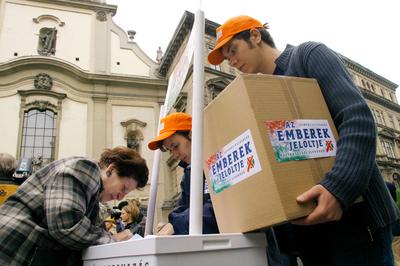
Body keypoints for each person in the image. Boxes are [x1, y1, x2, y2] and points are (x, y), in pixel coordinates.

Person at [208, 15, 400, 265]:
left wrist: (338, 188)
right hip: (308, 238)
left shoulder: (308, 56)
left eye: (233, 50)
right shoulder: (256, 94)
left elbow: (357, 119)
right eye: (226, 58)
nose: (231, 62)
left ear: (255, 36)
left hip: (357, 226)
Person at [0, 146, 149, 266]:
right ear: (111, 169)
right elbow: (67, 225)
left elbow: (93, 232)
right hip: (13, 251)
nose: (120, 197)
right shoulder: (86, 168)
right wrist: (114, 239)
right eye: (123, 188)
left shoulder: (92, 201)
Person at [148, 112, 219, 235]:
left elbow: (219, 208)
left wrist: (177, 225)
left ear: (192, 134)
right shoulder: (189, 172)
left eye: (175, 146)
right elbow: (183, 206)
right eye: (170, 151)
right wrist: (170, 224)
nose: (175, 155)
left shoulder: (219, 158)